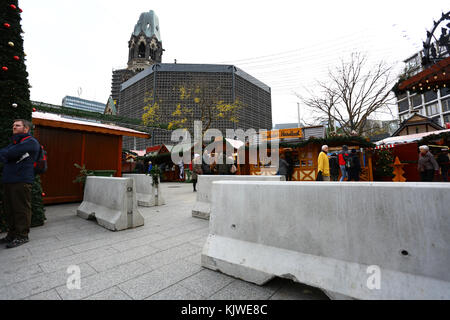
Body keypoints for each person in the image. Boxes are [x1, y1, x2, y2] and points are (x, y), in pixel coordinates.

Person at [0, 119, 40, 248]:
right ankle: (12, 234)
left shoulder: (31, 142)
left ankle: (22, 236)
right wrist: (7, 155)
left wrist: (8, 155)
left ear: (26, 129)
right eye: (13, 125)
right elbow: (4, 154)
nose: (14, 127)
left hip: (21, 180)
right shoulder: (14, 143)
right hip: (9, 180)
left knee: (20, 209)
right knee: (9, 209)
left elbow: (9, 153)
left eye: (17, 125)